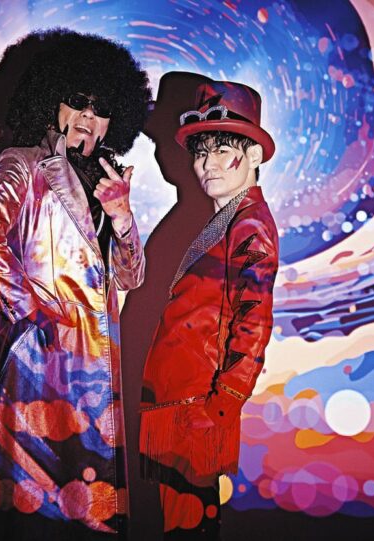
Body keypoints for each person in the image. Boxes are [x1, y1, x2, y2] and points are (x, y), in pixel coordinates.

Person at [0, 28, 151, 540]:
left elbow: (131, 276)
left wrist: (122, 216)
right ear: (52, 103)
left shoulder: (106, 179)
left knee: (88, 496)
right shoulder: (23, 163)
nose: (88, 116)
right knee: (29, 493)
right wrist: (28, 310)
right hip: (41, 358)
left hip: (96, 364)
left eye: (101, 108)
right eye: (78, 101)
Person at [138, 78, 280, 539]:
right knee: (180, 523)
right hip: (179, 401)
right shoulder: (228, 218)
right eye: (201, 152)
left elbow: (254, 321)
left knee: (189, 525)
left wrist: (220, 408)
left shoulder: (250, 224)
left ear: (253, 155)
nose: (208, 164)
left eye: (222, 150)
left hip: (197, 408)